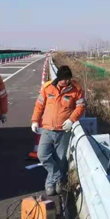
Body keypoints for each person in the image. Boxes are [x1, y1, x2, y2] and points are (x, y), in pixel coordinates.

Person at [31, 65, 85, 196]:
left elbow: (80, 107)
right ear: (58, 78)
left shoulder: (76, 90)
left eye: (68, 79)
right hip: (47, 129)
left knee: (60, 159)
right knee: (42, 155)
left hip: (63, 131)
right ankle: (58, 175)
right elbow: (39, 105)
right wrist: (35, 120)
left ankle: (52, 184)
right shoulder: (48, 88)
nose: (66, 81)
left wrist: (72, 120)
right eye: (63, 79)